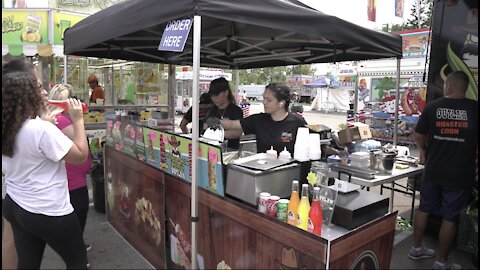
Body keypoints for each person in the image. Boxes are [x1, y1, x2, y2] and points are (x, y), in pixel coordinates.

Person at [2, 72, 89, 269]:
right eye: (39, 88)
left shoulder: (9, 126)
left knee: (28, 263)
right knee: (77, 261)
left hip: (15, 204)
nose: (44, 92)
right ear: (28, 95)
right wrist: (78, 120)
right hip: (48, 209)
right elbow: (81, 155)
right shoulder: (40, 129)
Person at [409, 71, 477, 270]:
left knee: (424, 208)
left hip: (433, 169)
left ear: (448, 86)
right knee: (450, 217)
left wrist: (424, 149)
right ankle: (440, 262)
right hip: (459, 173)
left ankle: (416, 248)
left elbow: (418, 135)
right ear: (465, 88)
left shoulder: (432, 107)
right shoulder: (475, 109)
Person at [1, 57, 54, 270]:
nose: (38, 89)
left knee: (11, 240)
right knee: (13, 241)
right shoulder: (22, 116)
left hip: (13, 186)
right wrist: (43, 124)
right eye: (35, 82)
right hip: (19, 189)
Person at [48, 84, 94, 258]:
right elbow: (78, 141)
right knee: (79, 211)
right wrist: (78, 119)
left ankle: (75, 245)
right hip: (72, 179)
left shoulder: (56, 118)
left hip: (73, 177)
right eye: (72, 98)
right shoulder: (62, 119)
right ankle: (76, 252)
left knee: (76, 212)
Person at [215, 83, 307, 155]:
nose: (264, 102)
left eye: (269, 100)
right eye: (263, 98)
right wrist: (216, 122)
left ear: (281, 103)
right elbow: (232, 124)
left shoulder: (297, 122)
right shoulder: (258, 120)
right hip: (262, 172)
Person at [204, 77, 244, 149]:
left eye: (217, 94)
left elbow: (238, 133)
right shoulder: (211, 111)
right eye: (212, 95)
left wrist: (217, 134)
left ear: (226, 92)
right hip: (212, 152)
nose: (214, 98)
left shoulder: (236, 110)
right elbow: (205, 128)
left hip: (231, 151)